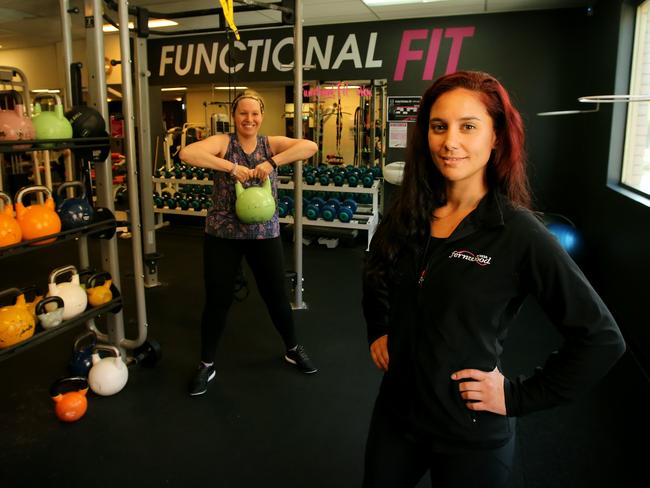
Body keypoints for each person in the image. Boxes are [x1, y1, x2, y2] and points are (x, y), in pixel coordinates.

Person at [361, 71, 626, 487]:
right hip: (397, 417)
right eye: (438, 126)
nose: (450, 142)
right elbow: (376, 269)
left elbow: (601, 338)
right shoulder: (408, 212)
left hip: (470, 432)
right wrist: (379, 328)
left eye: (468, 126)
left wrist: (518, 396)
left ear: (497, 136)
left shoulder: (519, 233)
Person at [179, 89, 319, 397]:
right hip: (222, 234)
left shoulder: (270, 143)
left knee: (277, 297)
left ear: (262, 116)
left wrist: (271, 162)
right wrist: (230, 167)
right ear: (234, 116)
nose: (249, 119)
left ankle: (292, 348)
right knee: (217, 300)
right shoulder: (222, 143)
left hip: (263, 234)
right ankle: (206, 363)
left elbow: (310, 145)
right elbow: (187, 154)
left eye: (255, 113)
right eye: (243, 113)